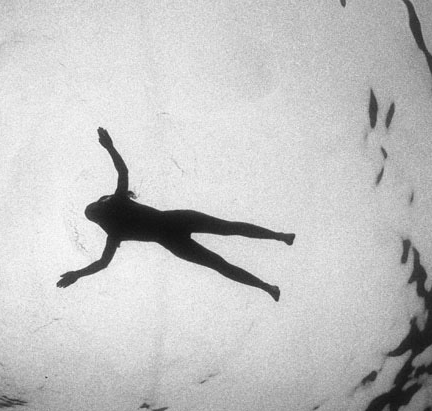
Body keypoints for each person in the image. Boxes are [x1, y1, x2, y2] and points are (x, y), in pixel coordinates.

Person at [57, 128, 294, 301]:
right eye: (95, 209)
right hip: (176, 225)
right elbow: (122, 171)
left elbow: (102, 263)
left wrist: (78, 274)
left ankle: (272, 267)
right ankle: (273, 261)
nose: (98, 208)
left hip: (174, 233)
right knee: (225, 241)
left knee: (222, 252)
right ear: (100, 211)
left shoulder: (115, 224)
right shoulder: (116, 214)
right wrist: (110, 147)